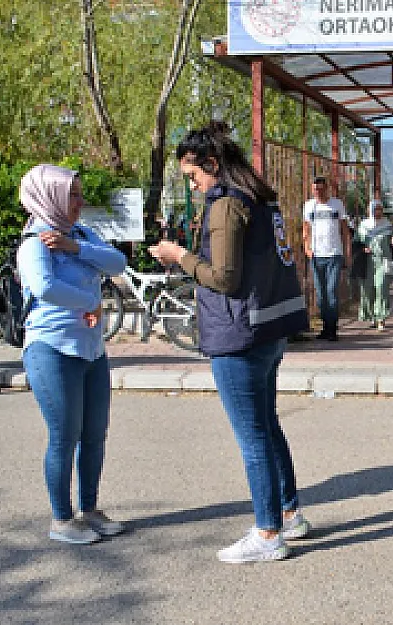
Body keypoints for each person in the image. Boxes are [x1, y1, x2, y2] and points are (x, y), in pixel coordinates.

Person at [150, 121, 312, 564]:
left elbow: (222, 277)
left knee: (252, 436)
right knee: (267, 425)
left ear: (212, 163)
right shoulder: (260, 198)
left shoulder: (226, 206)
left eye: (193, 175)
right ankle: (289, 511)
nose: (194, 183)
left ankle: (267, 532)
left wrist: (178, 256)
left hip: (236, 333)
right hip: (267, 330)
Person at [16, 164, 128, 544]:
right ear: (49, 198)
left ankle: (90, 510)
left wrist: (76, 247)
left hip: (91, 348)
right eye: (72, 196)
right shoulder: (34, 242)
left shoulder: (79, 234)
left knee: (94, 434)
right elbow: (44, 288)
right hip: (52, 348)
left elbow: (118, 263)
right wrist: (91, 301)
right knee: (64, 436)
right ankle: (62, 521)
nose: (79, 202)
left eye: (79, 195)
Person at [302, 176, 351, 341]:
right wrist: (307, 248)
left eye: (321, 189)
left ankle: (332, 328)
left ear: (327, 189)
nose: (318, 192)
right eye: (315, 189)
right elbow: (306, 229)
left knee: (331, 292)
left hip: (334, 254)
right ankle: (325, 326)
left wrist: (347, 252)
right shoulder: (309, 206)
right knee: (321, 294)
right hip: (316, 255)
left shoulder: (337, 205)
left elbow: (344, 230)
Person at [356, 199, 393, 330]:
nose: (377, 212)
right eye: (375, 209)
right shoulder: (364, 225)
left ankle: (381, 318)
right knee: (368, 289)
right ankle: (372, 315)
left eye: (379, 209)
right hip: (367, 262)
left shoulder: (387, 225)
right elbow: (356, 242)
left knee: (381, 287)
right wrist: (363, 249)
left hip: (383, 260)